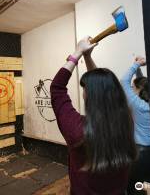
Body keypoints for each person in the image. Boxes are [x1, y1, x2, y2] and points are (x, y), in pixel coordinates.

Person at [50, 37, 137, 195]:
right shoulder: (126, 121)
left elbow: (57, 87)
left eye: (84, 89)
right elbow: (103, 89)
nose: (83, 92)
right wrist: (87, 57)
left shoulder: (77, 129)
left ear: (88, 95)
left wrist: (78, 52)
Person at [121, 57, 150, 195]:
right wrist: (139, 71)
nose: (132, 90)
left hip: (140, 153)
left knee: (135, 187)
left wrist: (136, 64)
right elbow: (144, 84)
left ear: (140, 90)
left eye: (134, 88)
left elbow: (123, 82)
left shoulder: (137, 105)